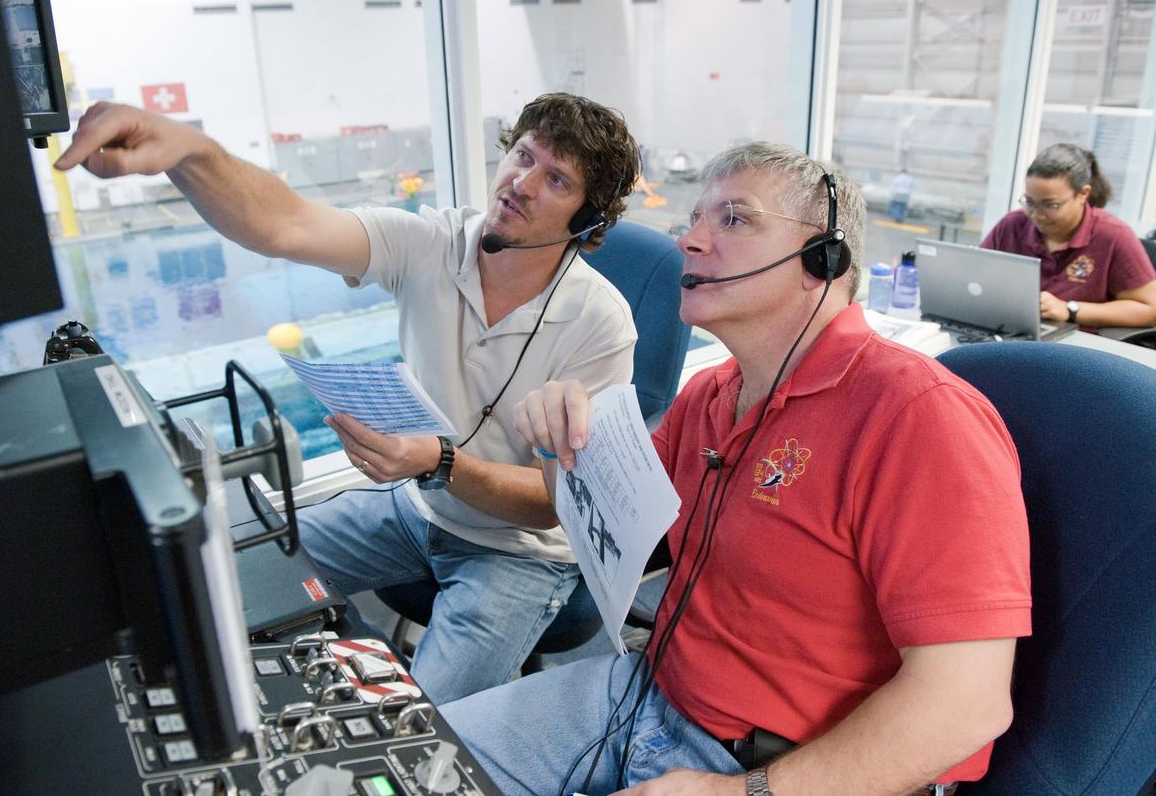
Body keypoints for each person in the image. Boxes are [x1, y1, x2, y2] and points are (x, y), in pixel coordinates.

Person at [440, 142, 1031, 795]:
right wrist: (563, 444)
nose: (689, 241)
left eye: (733, 219)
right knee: (416, 763)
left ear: (822, 260)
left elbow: (965, 704)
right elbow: (610, 533)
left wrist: (741, 793)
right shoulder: (712, 393)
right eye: (695, 219)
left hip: (781, 767)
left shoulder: (920, 417)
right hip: (644, 690)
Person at [53, 93, 642, 704]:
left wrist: (438, 462)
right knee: (227, 564)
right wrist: (191, 152)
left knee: (426, 726)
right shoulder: (430, 244)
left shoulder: (600, 323)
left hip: (519, 556)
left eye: (556, 179)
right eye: (522, 154)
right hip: (417, 511)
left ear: (587, 219)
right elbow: (286, 225)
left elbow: (554, 507)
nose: (520, 182)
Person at [981, 142, 1156, 330]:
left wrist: (1070, 310)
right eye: (1030, 202)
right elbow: (975, 278)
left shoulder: (1113, 235)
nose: (1036, 214)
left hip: (1077, 344)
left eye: (1051, 205)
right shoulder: (1013, 224)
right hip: (1011, 330)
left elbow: (1149, 308)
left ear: (1082, 194)